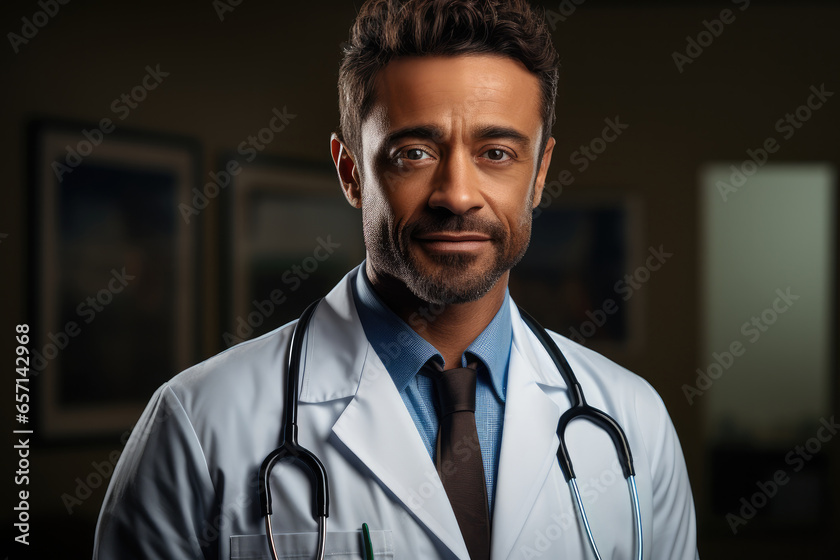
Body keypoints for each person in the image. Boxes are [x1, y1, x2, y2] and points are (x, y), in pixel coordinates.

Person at [93, 0, 699, 558]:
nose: (458, 196)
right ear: (351, 172)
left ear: (539, 174)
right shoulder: (198, 425)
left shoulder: (631, 422)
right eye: (414, 152)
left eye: (496, 153)